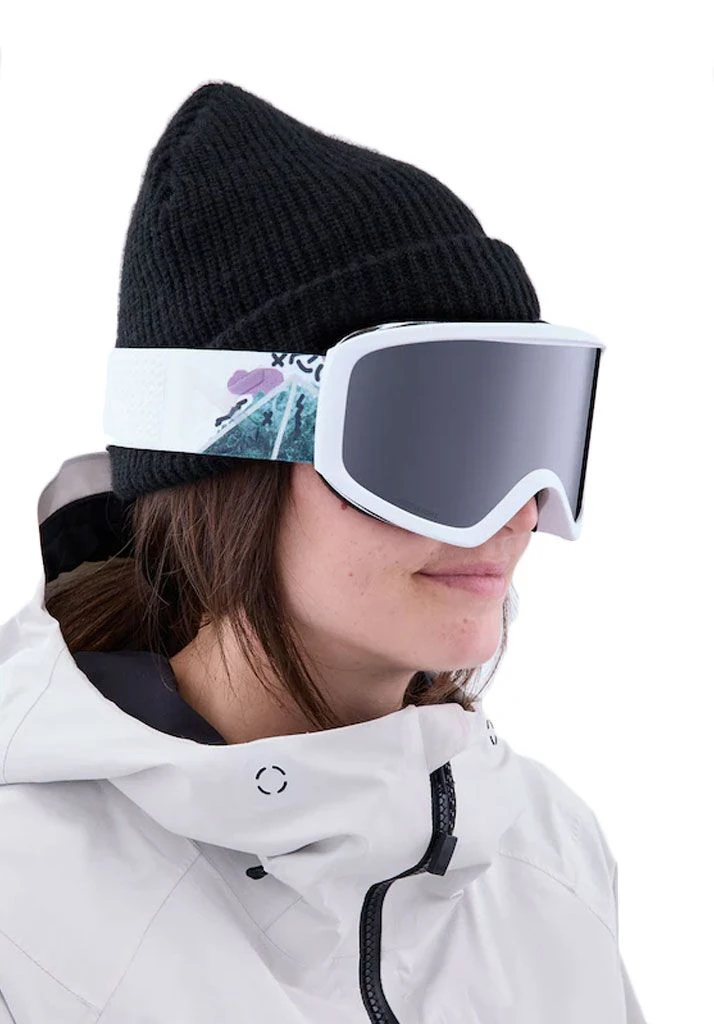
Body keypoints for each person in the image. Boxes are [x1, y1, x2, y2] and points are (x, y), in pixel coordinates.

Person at [0, 81, 647, 1023]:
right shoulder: (24, 894)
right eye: (430, 439)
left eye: (525, 430)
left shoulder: (546, 851)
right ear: (227, 462)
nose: (514, 514)